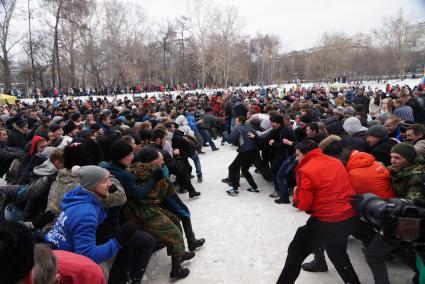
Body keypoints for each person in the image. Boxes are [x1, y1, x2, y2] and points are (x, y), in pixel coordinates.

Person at [45, 165, 156, 284]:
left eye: (109, 179)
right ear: (92, 186)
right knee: (100, 270)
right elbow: (87, 257)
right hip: (63, 263)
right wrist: (118, 240)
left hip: (54, 252)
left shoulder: (77, 195)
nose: (110, 184)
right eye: (104, 181)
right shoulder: (86, 213)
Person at [276, 140, 360, 284]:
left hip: (327, 221)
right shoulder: (335, 162)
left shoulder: (306, 170)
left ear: (307, 154)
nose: (296, 159)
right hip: (348, 216)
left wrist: (296, 192)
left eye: (297, 155)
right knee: (337, 251)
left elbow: (302, 204)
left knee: (295, 253)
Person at [127, 147, 195, 279]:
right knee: (174, 233)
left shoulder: (135, 168)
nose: (163, 161)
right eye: (161, 160)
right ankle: (176, 270)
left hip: (140, 209)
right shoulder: (156, 173)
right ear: (153, 162)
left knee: (175, 220)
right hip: (145, 212)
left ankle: (179, 254)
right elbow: (164, 193)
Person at [364, 142, 425, 284]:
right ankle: (418, 273)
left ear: (408, 159)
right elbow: (385, 169)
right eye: (391, 157)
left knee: (373, 254)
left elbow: (412, 203)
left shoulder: (417, 177)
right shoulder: (401, 169)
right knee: (402, 250)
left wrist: (384, 204)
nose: (392, 161)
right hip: (404, 221)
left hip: (410, 220)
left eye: (397, 158)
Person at [222, 116, 259, 195]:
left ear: (240, 121)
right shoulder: (249, 128)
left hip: (245, 151)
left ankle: (235, 189)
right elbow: (256, 138)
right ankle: (255, 187)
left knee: (232, 168)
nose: (235, 122)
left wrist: (225, 134)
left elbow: (231, 140)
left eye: (236, 121)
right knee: (244, 170)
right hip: (254, 151)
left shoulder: (237, 128)